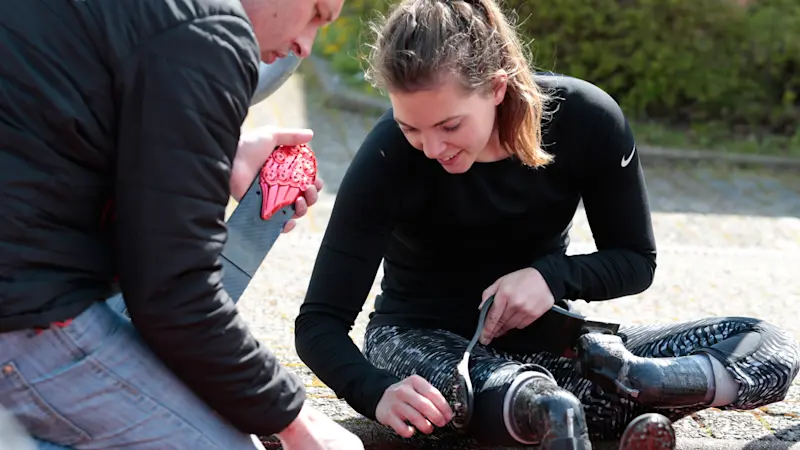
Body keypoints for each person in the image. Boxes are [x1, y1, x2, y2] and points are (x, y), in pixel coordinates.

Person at [294, 0, 800, 448]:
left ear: (495, 87)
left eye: (449, 125)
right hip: (424, 343)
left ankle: (640, 386)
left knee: (765, 348)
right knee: (542, 403)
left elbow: (635, 261)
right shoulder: (387, 154)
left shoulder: (586, 120)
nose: (431, 148)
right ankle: (595, 416)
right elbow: (319, 322)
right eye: (411, 128)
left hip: (552, 340)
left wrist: (549, 277)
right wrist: (375, 391)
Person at [0, 0, 364, 449]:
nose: (305, 46)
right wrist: (294, 417)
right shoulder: (212, 31)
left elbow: (55, 113)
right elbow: (175, 293)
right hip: (23, 316)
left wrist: (214, 151)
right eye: (316, 13)